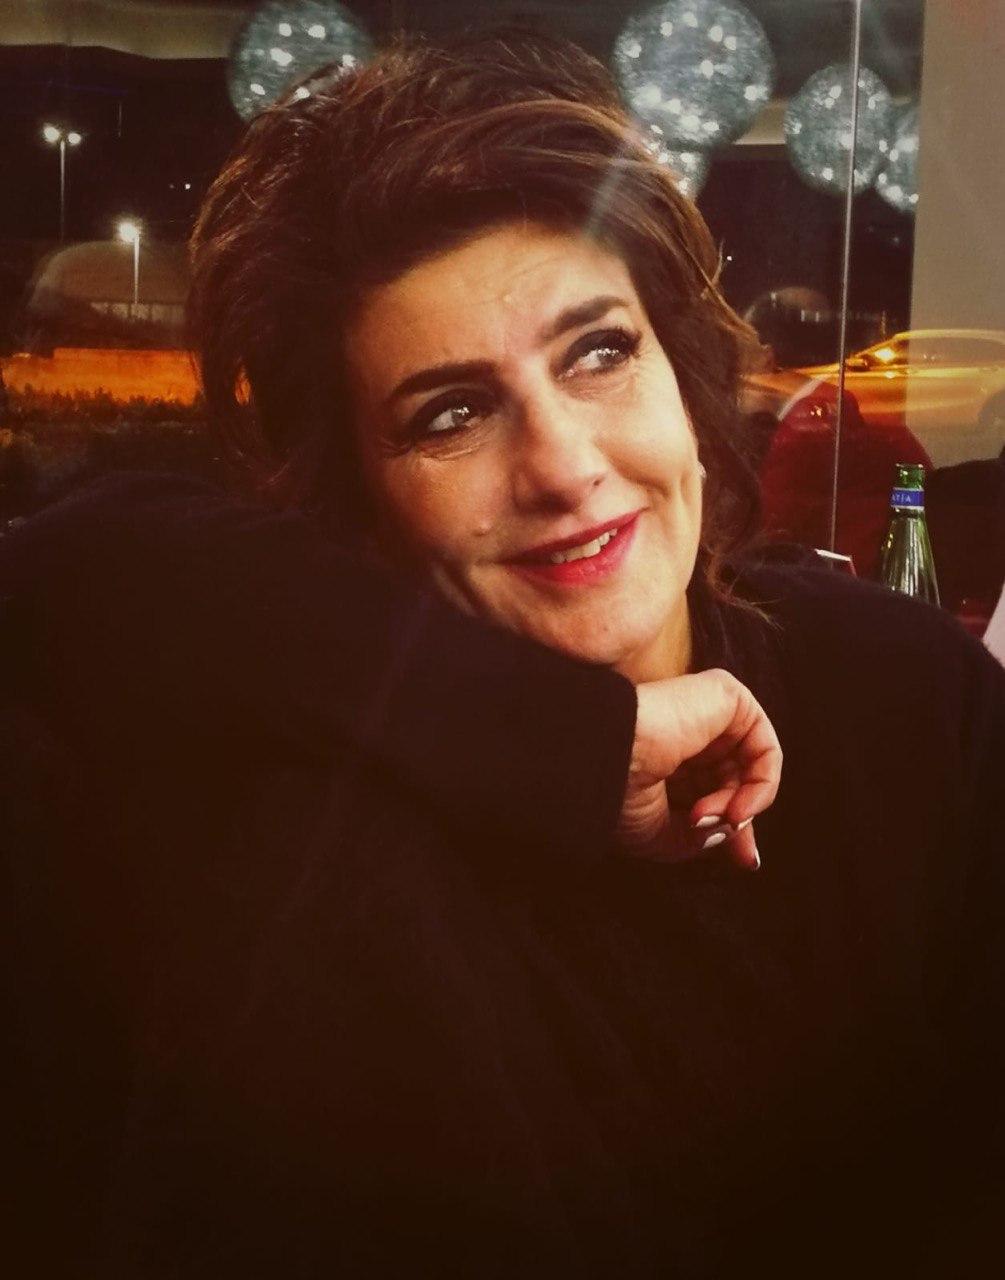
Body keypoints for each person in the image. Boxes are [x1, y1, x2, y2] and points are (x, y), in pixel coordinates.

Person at [2, 29, 1003, 1279]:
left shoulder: (909, 703)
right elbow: (56, 577)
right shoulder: (304, 872)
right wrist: (570, 742)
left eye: (601, 351)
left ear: (686, 378)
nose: (566, 467)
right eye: (452, 414)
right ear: (355, 508)